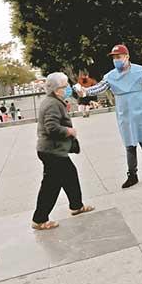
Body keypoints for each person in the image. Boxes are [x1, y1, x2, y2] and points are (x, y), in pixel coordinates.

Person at [82, 44, 142, 188]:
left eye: (118, 57)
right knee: (129, 146)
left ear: (127, 57)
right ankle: (132, 175)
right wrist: (85, 91)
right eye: (114, 58)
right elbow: (100, 87)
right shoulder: (110, 76)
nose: (116, 60)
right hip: (125, 115)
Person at [31, 72, 95, 230]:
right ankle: (39, 219)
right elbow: (51, 127)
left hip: (54, 150)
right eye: (64, 86)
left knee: (70, 175)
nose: (67, 88)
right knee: (51, 185)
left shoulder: (55, 101)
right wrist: (69, 131)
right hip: (52, 151)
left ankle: (76, 205)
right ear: (56, 89)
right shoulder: (52, 104)